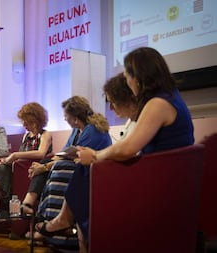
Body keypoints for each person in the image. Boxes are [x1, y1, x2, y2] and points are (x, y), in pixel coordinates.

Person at [35, 47, 195, 251]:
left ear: (139, 76)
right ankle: (67, 222)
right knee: (89, 168)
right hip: (162, 175)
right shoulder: (170, 97)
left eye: (128, 76)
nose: (128, 81)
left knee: (90, 167)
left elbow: (128, 148)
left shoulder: (158, 104)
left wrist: (95, 155)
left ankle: (65, 221)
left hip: (159, 183)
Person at [30, 96, 112, 248]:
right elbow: (63, 153)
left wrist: (46, 166)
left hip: (93, 169)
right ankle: (46, 222)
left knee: (58, 168)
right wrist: (44, 165)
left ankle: (55, 225)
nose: (64, 118)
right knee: (48, 165)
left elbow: (75, 157)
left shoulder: (93, 131)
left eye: (65, 115)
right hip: (75, 165)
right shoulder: (76, 131)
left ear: (74, 118)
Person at [0, 102, 53, 209]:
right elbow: (22, 155)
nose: (23, 124)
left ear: (34, 120)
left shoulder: (45, 134)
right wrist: (8, 160)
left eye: (25, 121)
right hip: (16, 168)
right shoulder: (26, 135)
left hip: (29, 169)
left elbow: (41, 153)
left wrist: (15, 155)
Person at [103, 73, 138, 141]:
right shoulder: (130, 122)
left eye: (113, 102)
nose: (110, 108)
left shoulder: (139, 124)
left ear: (126, 100)